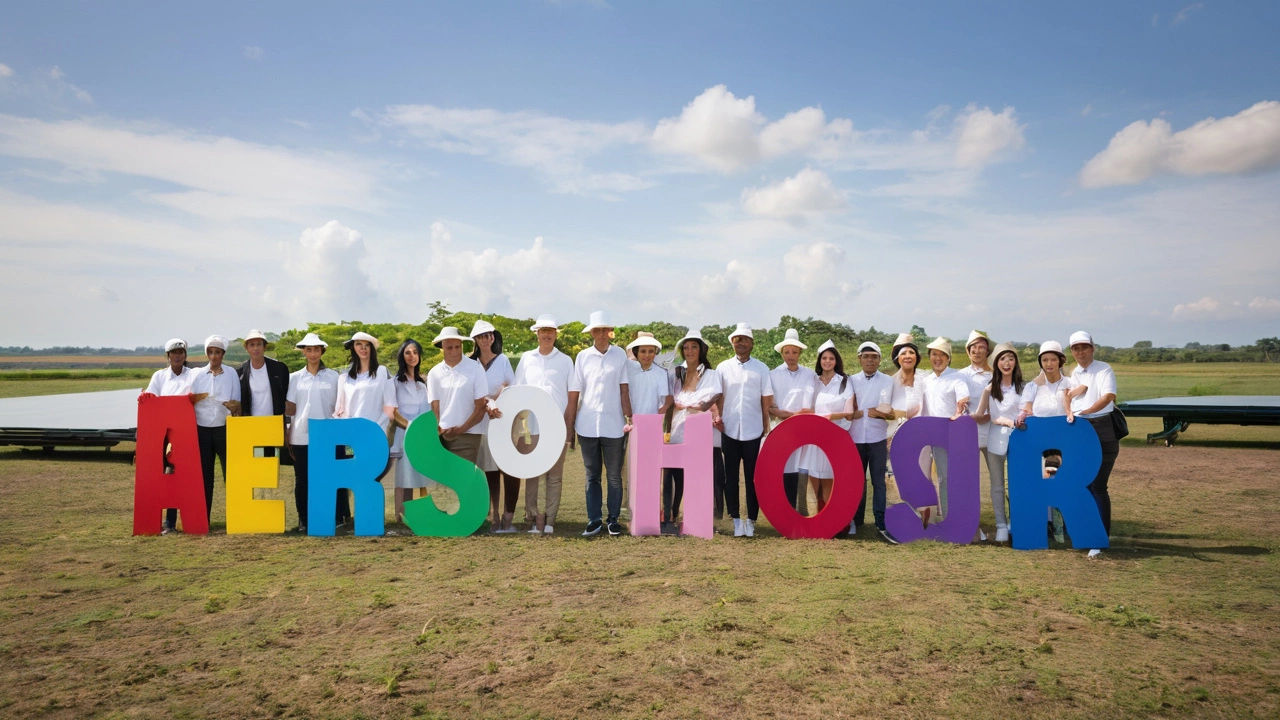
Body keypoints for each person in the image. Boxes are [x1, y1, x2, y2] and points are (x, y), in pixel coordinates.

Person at [566, 311, 632, 537]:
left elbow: (624, 389)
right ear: (592, 333)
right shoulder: (583, 357)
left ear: (609, 332)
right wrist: (570, 428)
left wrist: (629, 417)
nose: (601, 334)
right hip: (587, 425)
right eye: (597, 330)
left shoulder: (620, 355)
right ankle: (594, 519)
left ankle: (613, 520)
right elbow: (575, 393)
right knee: (591, 475)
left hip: (614, 425)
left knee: (614, 476)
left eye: (605, 330)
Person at [512, 314, 574, 535]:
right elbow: (517, 390)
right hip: (532, 426)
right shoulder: (527, 358)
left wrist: (569, 427)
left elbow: (572, 395)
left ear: (556, 334)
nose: (547, 335)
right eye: (543, 331)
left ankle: (550, 520)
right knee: (532, 473)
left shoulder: (566, 361)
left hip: (557, 426)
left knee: (554, 476)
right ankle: (531, 517)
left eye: (551, 331)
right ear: (537, 334)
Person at [1021, 340, 1084, 545]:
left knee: (1064, 484)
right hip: (1040, 444)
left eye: (1053, 359)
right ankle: (1047, 526)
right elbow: (1027, 409)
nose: (1049, 364)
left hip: (1066, 443)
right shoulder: (1032, 387)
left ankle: (1064, 527)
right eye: (1045, 360)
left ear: (1060, 361)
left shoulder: (1070, 385)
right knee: (1044, 483)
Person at [716, 323, 774, 538]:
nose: (741, 343)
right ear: (733, 342)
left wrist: (766, 424)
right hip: (729, 428)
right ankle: (736, 520)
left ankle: (751, 520)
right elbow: (718, 396)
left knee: (752, 477)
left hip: (753, 430)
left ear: (752, 343)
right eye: (737, 339)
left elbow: (766, 399)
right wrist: (716, 416)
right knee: (730, 477)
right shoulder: (723, 367)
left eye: (745, 339)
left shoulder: (761, 368)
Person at [334, 331, 396, 528]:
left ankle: (371, 518)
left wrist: (382, 431)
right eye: (358, 344)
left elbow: (390, 405)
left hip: (375, 434)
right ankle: (353, 518)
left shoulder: (383, 373)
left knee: (372, 477)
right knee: (352, 477)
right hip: (351, 436)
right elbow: (340, 408)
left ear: (372, 348)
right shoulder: (344, 378)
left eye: (366, 345)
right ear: (353, 348)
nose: (362, 348)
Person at [664, 330, 722, 534]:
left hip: (699, 433)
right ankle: (673, 515)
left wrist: (688, 403)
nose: (689, 351)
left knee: (697, 476)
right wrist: (686, 404)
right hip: (677, 430)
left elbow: (708, 400)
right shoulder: (675, 373)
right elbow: (670, 399)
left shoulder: (711, 374)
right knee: (676, 476)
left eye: (694, 347)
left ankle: (698, 517)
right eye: (686, 347)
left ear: (701, 349)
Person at [1068, 330, 1118, 560]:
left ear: (1092, 348)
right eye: (1076, 348)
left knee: (1098, 485)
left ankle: (1099, 539)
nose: (1080, 352)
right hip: (1079, 431)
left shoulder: (1104, 368)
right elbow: (1069, 398)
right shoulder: (1074, 373)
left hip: (1102, 428)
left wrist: (1086, 412)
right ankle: (1089, 535)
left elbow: (1109, 397)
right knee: (1085, 485)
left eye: (1084, 347)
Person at [284, 333, 339, 534]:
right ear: (304, 352)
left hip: (327, 435)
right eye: (309, 349)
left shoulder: (334, 377)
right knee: (302, 479)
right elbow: (291, 408)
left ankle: (326, 518)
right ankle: (304, 520)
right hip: (300, 435)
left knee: (326, 479)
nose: (313, 353)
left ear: (322, 351)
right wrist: (288, 431)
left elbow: (338, 406)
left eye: (316, 349)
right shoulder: (294, 378)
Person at [973, 342, 1025, 543]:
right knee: (997, 484)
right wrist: (962, 414)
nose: (1007, 362)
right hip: (995, 437)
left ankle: (1017, 521)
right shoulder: (989, 389)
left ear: (1015, 362)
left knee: (1017, 482)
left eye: (1010, 358)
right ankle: (1001, 525)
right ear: (996, 363)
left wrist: (1013, 421)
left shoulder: (1023, 387)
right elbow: (979, 414)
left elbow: (1028, 412)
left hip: (1019, 437)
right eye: (1002, 359)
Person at [470, 320, 520, 533]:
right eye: (481, 336)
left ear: (493, 338)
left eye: (488, 335)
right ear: (475, 340)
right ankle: (494, 515)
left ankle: (509, 515)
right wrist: (486, 403)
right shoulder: (470, 363)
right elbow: (470, 393)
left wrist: (495, 400)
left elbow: (512, 387)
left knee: (508, 469)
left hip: (501, 421)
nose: (485, 339)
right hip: (478, 424)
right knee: (488, 471)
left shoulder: (503, 361)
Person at [145, 338, 197, 534]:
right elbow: (151, 401)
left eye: (181, 353)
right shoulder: (159, 377)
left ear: (185, 356)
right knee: (168, 474)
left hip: (187, 434)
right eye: (174, 353)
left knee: (187, 477)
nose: (177, 356)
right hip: (165, 435)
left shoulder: (193, 375)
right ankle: (169, 521)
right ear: (167, 356)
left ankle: (193, 519)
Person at [916, 337, 970, 527]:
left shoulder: (957, 377)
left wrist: (958, 411)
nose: (937, 358)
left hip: (955, 434)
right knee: (943, 477)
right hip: (935, 436)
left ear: (948, 358)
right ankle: (948, 517)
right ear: (929, 357)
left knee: (959, 477)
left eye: (941, 355)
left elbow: (963, 399)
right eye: (934, 355)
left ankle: (962, 517)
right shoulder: (926, 380)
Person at [801, 341, 856, 525]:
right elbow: (807, 409)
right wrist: (821, 417)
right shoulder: (812, 381)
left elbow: (849, 414)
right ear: (820, 360)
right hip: (814, 439)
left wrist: (827, 417)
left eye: (831, 358)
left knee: (829, 479)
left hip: (834, 439)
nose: (827, 361)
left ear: (836, 361)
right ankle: (813, 519)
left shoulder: (844, 382)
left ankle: (829, 521)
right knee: (813, 481)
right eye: (824, 358)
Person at [190, 335, 242, 526]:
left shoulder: (231, 374)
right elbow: (189, 402)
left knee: (231, 474)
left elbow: (237, 401)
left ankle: (236, 517)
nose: (214, 356)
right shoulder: (196, 374)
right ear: (207, 353)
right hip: (202, 429)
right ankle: (204, 519)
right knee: (205, 477)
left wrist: (235, 406)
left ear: (223, 354)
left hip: (224, 429)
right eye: (210, 352)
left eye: (217, 352)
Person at [849, 341, 895, 539]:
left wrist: (873, 411)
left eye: (874, 357)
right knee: (856, 481)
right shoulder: (850, 380)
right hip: (855, 437)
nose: (870, 360)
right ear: (859, 359)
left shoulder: (887, 380)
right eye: (866, 356)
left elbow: (885, 408)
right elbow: (850, 409)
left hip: (877, 438)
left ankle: (880, 520)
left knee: (879, 482)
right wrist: (860, 412)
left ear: (879, 360)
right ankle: (856, 519)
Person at [426, 327, 489, 469]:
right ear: (442, 347)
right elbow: (435, 407)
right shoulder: (434, 373)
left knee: (464, 479)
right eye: (449, 347)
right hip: (443, 436)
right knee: (447, 482)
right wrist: (438, 431)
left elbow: (480, 408)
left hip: (469, 434)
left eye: (457, 346)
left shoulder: (476, 368)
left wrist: (461, 429)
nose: (454, 350)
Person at [768, 328, 816, 512]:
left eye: (794, 352)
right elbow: (771, 407)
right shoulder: (773, 375)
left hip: (804, 428)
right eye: (787, 352)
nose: (790, 356)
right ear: (782, 353)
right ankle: (785, 510)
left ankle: (802, 509)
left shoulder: (810, 375)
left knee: (802, 467)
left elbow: (813, 406)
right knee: (785, 467)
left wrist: (788, 414)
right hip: (780, 428)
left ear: (800, 353)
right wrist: (788, 415)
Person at [388, 339, 433, 526]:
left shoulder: (422, 385)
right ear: (402, 356)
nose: (412, 356)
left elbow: (427, 412)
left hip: (420, 438)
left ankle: (419, 513)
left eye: (415, 352)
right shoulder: (395, 383)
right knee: (403, 477)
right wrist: (410, 426)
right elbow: (393, 411)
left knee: (420, 475)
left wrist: (422, 431)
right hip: (402, 435)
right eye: (408, 352)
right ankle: (401, 515)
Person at [236, 330, 290, 462]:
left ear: (264, 346)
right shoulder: (240, 372)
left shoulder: (279, 368)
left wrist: (285, 427)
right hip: (252, 426)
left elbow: (286, 398)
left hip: (273, 425)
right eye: (252, 345)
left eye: (259, 344)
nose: (255, 348)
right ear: (246, 348)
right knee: (255, 466)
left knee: (271, 466)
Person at [957, 330, 993, 471]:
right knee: (968, 473)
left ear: (987, 351)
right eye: (974, 347)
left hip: (991, 428)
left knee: (995, 473)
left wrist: (989, 415)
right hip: (968, 430)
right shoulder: (960, 375)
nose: (977, 351)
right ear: (968, 350)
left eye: (981, 348)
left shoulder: (995, 374)